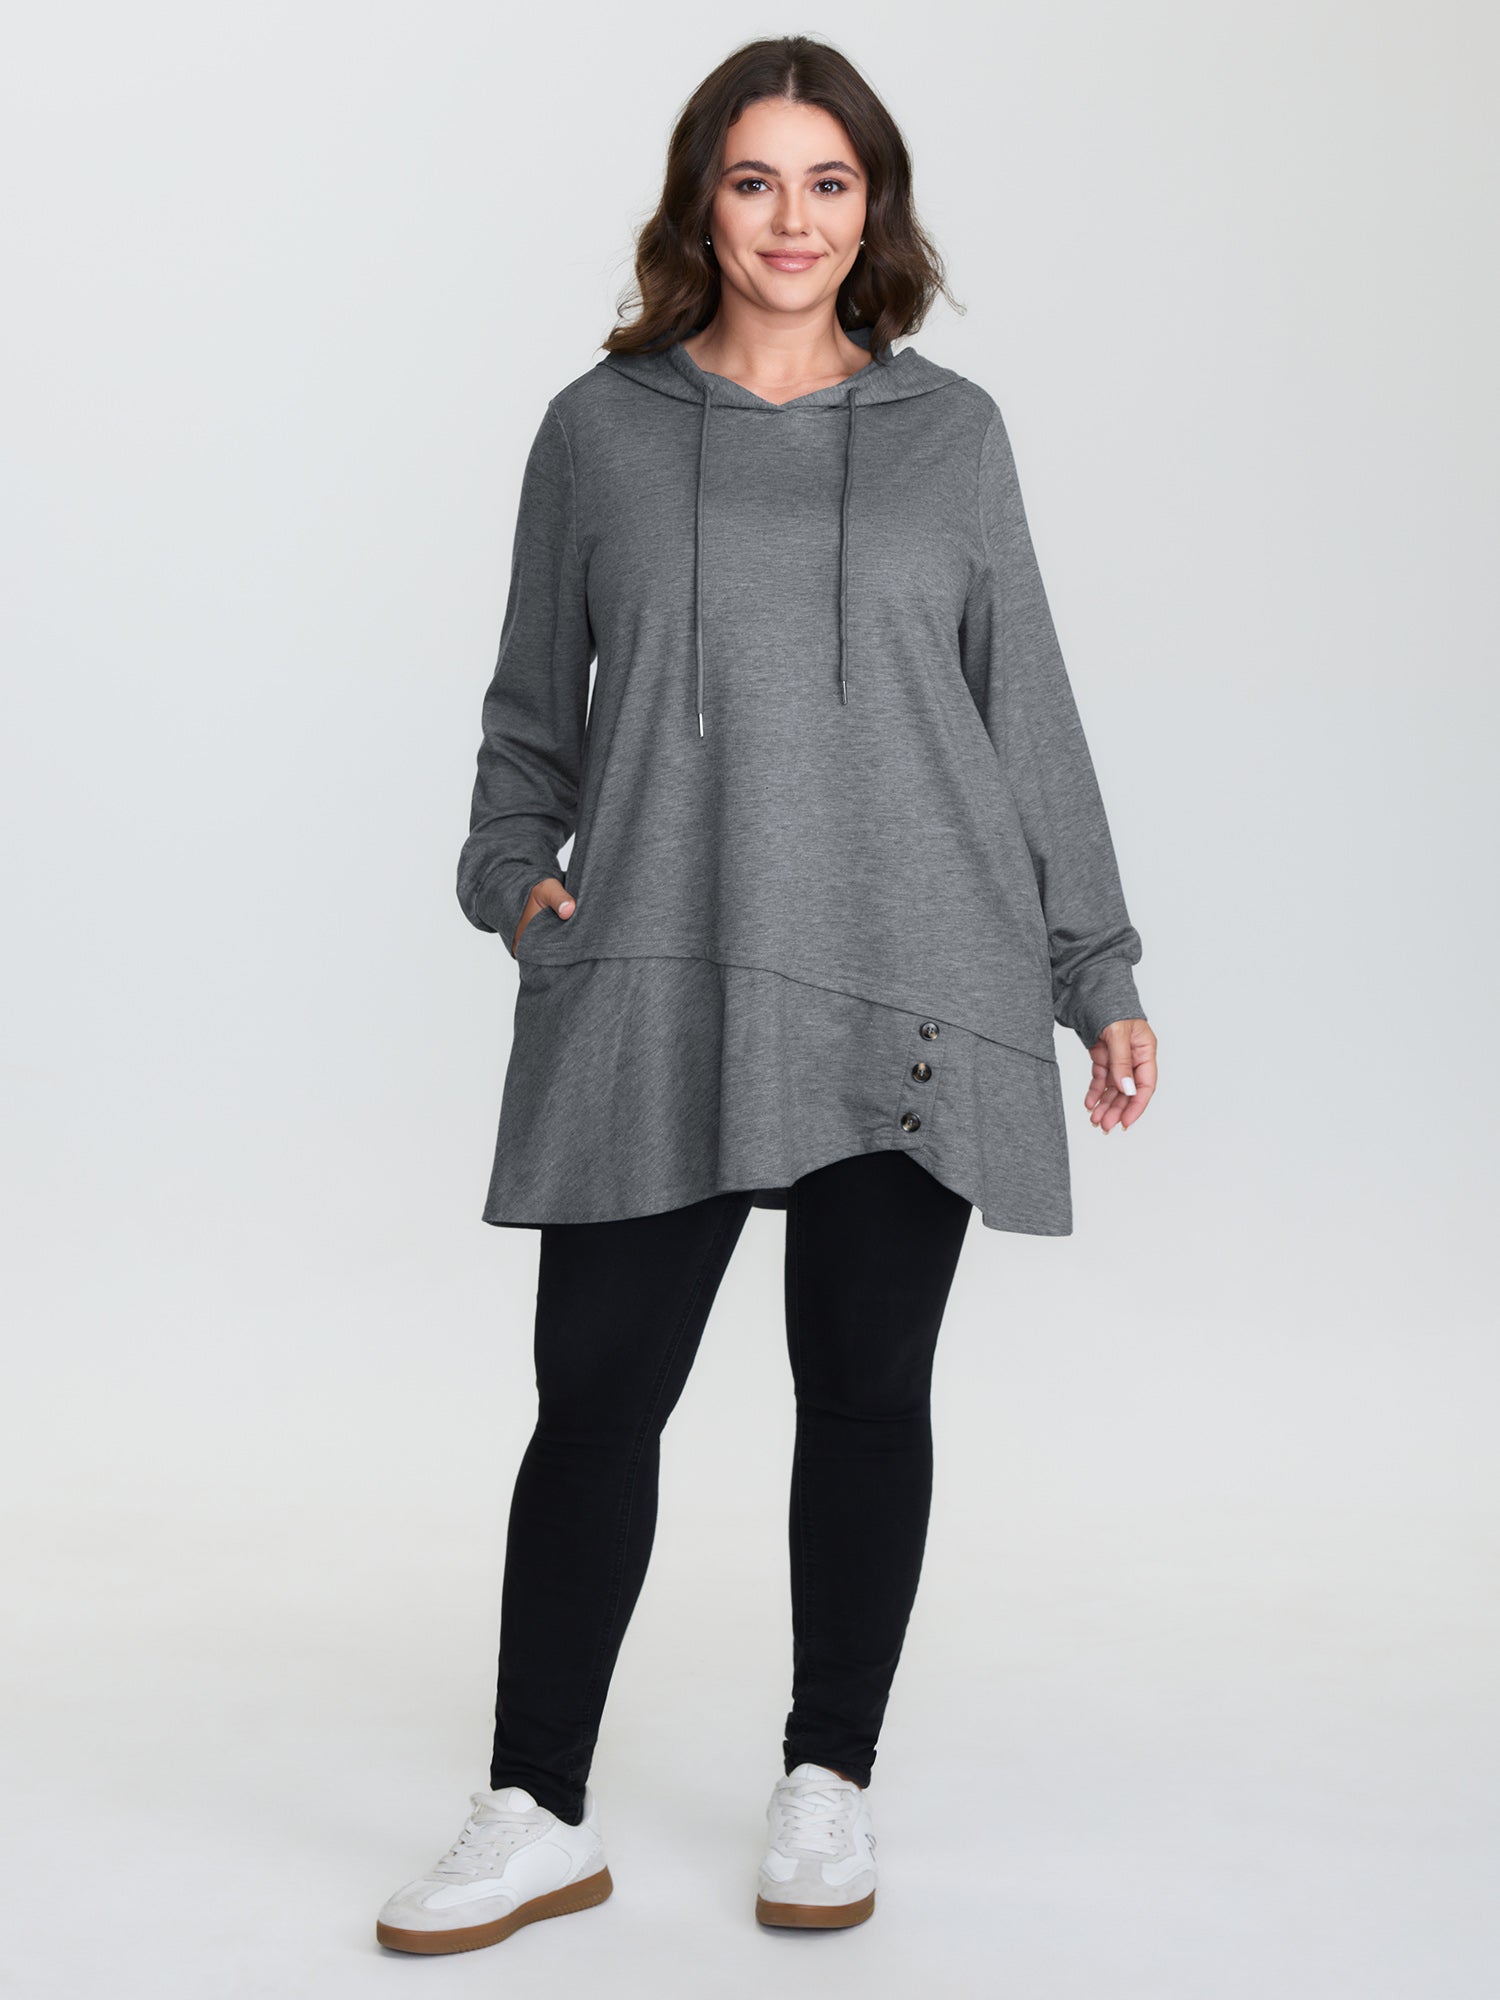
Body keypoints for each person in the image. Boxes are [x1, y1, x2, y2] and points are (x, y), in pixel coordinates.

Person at [376, 33, 1158, 1955]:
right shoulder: (599, 431)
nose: (792, 220)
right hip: (661, 964)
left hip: (914, 969)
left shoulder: (954, 436)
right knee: (595, 1397)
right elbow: (524, 716)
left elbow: (1028, 712)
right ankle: (534, 1806)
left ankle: (828, 1777)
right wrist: (512, 881)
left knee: (864, 1392)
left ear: (872, 209)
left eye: (828, 182)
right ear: (699, 203)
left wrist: (1096, 968)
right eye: (754, 181)